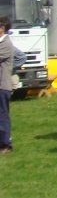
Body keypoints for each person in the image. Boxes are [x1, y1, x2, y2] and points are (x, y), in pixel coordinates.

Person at [0, 16, 14, 154]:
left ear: (2, 28)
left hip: (2, 86)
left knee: (2, 116)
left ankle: (6, 145)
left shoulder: (5, 44)